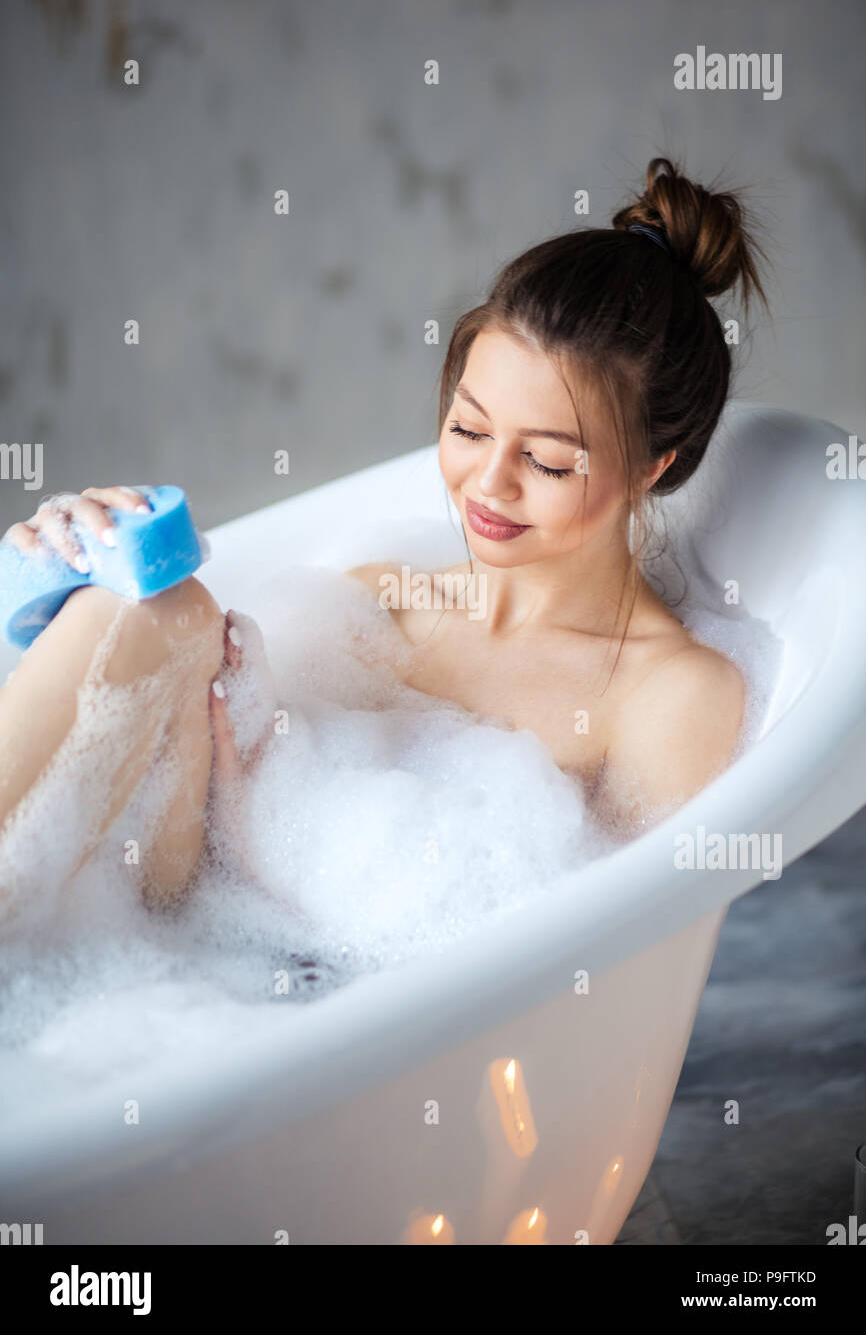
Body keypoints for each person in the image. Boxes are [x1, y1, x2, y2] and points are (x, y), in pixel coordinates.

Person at [0, 155, 771, 913]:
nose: (488, 482)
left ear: (650, 467)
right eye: (468, 428)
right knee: (158, 609)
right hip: (196, 930)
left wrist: (267, 845)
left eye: (545, 460)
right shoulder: (374, 603)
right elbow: (206, 845)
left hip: (367, 997)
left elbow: (610, 952)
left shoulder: (671, 695)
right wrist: (90, 553)